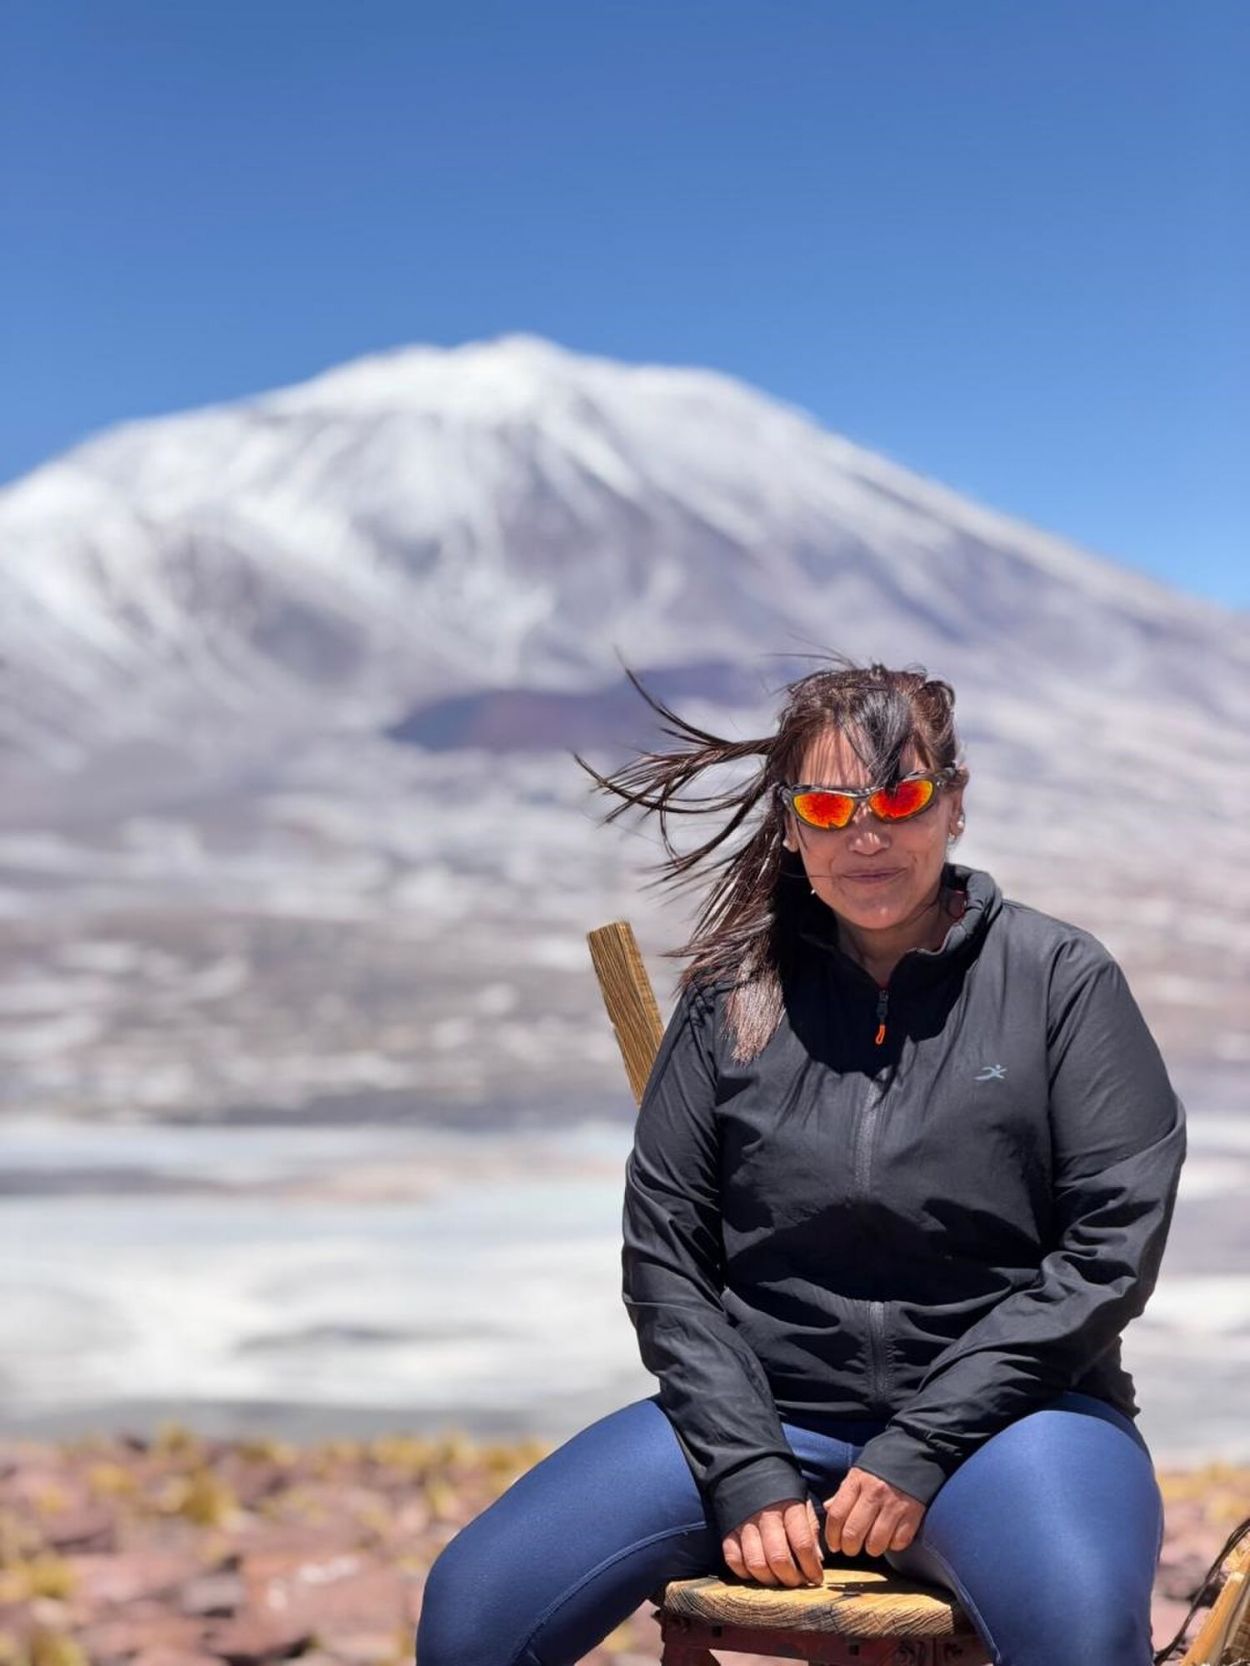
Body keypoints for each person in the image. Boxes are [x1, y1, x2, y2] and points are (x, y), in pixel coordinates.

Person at [415, 654, 1188, 1666]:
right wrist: (744, 1464)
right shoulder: (733, 993)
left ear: (954, 804)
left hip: (1013, 1425)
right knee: (472, 1611)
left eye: (900, 798)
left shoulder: (1057, 981)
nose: (865, 834)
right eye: (827, 807)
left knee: (1079, 1635)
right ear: (791, 825)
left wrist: (922, 1443)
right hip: (766, 1417)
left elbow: (1108, 1250)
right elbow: (665, 1256)